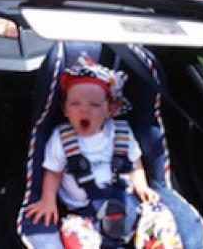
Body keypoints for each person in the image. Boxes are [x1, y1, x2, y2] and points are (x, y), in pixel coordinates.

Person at [25, 53, 182, 248]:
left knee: (159, 216)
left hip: (126, 205)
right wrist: (48, 200)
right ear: (64, 109)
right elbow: (53, 173)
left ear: (111, 109)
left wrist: (141, 186)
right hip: (82, 212)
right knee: (72, 230)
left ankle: (151, 240)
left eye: (94, 105)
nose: (84, 110)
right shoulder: (61, 138)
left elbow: (135, 163)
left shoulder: (121, 133)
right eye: (75, 104)